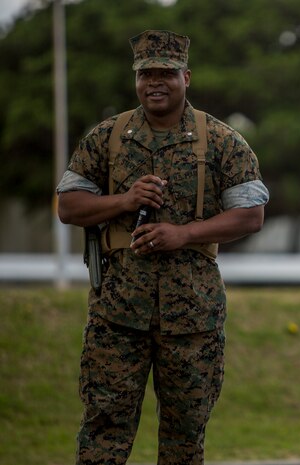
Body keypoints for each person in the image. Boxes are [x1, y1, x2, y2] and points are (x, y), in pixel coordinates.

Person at [56, 30, 269, 465]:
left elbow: (251, 214)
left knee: (185, 436)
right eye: (145, 73)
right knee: (103, 432)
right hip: (117, 313)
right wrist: (125, 200)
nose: (155, 82)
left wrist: (185, 234)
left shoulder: (222, 140)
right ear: (136, 79)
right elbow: (68, 206)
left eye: (166, 73)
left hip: (192, 316)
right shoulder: (107, 137)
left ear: (185, 77)